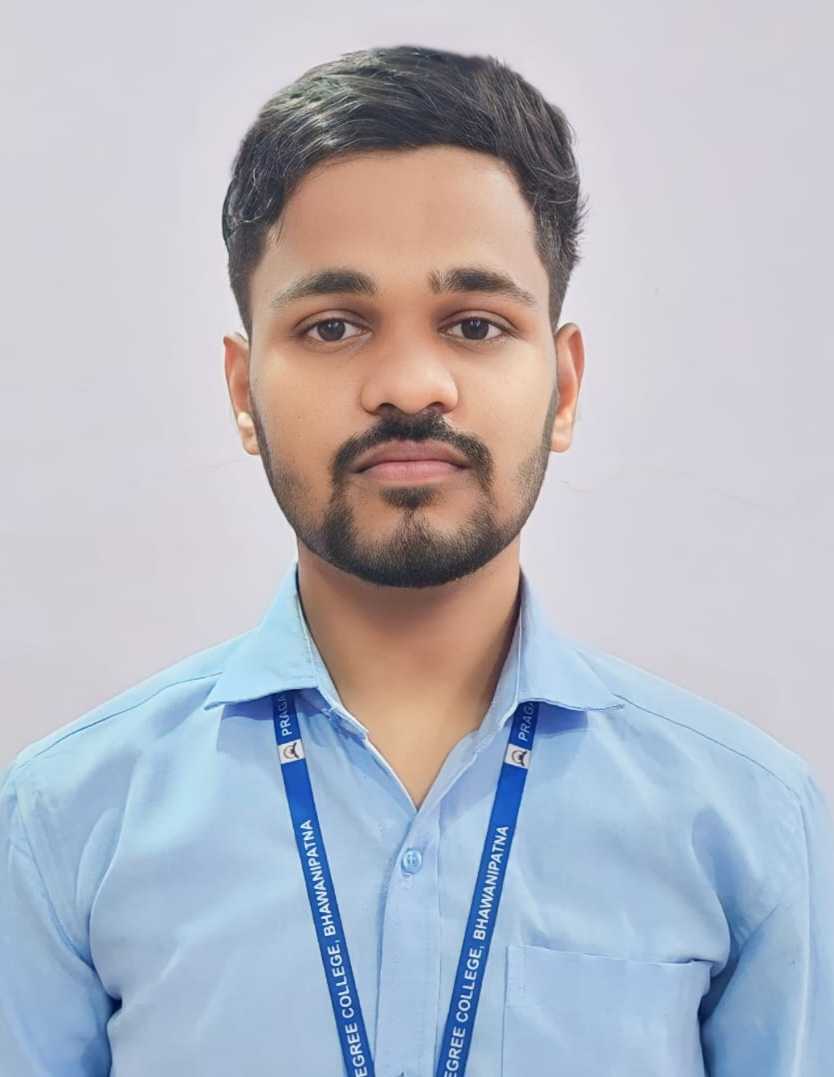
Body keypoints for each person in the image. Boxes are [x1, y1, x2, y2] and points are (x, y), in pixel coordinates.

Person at [2, 44, 832, 1077]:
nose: (408, 382)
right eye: (333, 326)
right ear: (243, 392)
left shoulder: (749, 824)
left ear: (565, 388)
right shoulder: (66, 820)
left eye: (475, 324)